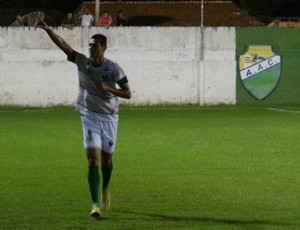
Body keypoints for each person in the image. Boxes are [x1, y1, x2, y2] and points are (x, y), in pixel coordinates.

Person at [37, 18, 131, 219]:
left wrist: (107, 88)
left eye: (94, 45)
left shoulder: (114, 68)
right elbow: (64, 46)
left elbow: (128, 93)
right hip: (89, 116)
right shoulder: (83, 62)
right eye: (89, 45)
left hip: (109, 119)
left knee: (107, 160)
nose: (91, 48)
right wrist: (48, 30)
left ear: (103, 48)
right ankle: (95, 204)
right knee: (93, 160)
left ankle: (105, 187)